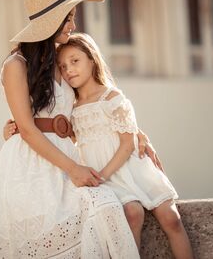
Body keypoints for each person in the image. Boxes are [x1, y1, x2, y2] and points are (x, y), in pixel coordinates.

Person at [0, 0, 140, 258]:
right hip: (31, 163)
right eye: (68, 19)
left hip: (67, 155)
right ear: (52, 20)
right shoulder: (16, 65)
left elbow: (89, 107)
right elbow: (27, 129)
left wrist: (137, 134)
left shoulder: (60, 61)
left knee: (109, 208)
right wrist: (73, 169)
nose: (73, 26)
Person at [57, 33, 193, 258]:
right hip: (104, 180)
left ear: (92, 59)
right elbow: (65, 137)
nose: (68, 69)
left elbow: (128, 144)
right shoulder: (70, 108)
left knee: (172, 219)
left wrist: (102, 175)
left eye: (74, 61)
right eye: (62, 66)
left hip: (130, 169)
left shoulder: (112, 97)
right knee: (132, 212)